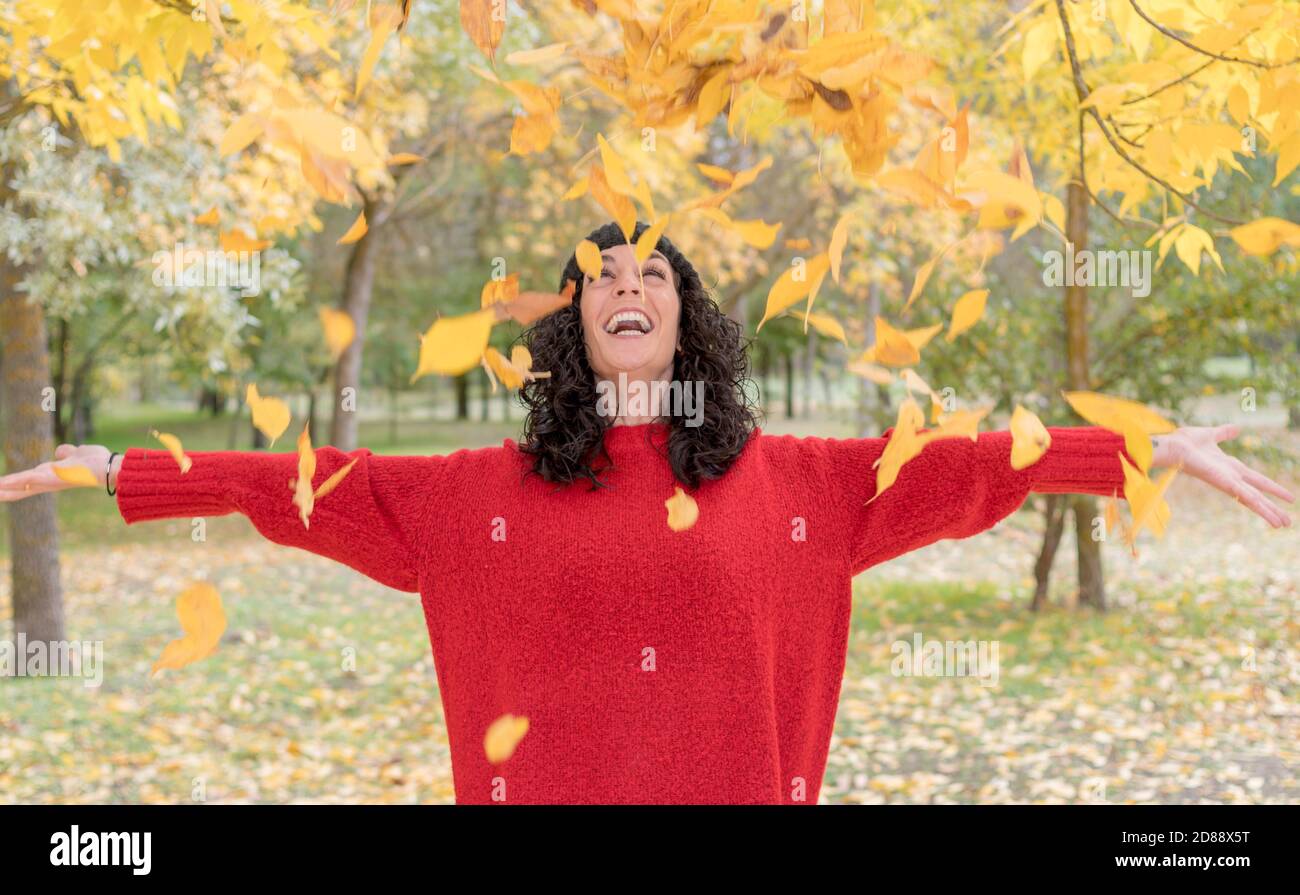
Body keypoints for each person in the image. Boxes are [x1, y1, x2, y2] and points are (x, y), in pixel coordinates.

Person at [1, 221, 1293, 804]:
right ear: (571, 327)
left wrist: (1148, 447)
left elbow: (973, 467)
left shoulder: (803, 485)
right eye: (601, 278)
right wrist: (119, 472)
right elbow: (291, 488)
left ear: (689, 318)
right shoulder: (465, 499)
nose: (627, 285)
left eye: (653, 274)